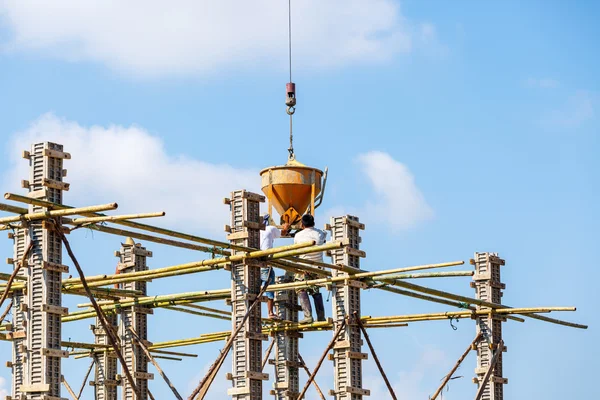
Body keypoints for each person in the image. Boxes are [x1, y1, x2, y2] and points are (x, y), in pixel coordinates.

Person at [293, 214, 327, 324]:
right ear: (314, 223)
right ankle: (321, 316)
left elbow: (296, 250)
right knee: (315, 290)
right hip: (318, 268)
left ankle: (308, 316)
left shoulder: (298, 236)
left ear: (302, 224)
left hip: (304, 267)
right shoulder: (320, 233)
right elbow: (324, 237)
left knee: (300, 288)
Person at [259, 214, 290, 320]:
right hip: (266, 262)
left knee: (259, 285)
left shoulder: (255, 232)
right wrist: (286, 225)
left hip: (255, 262)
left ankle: (266, 310)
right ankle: (270, 312)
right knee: (269, 286)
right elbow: (283, 233)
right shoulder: (270, 229)